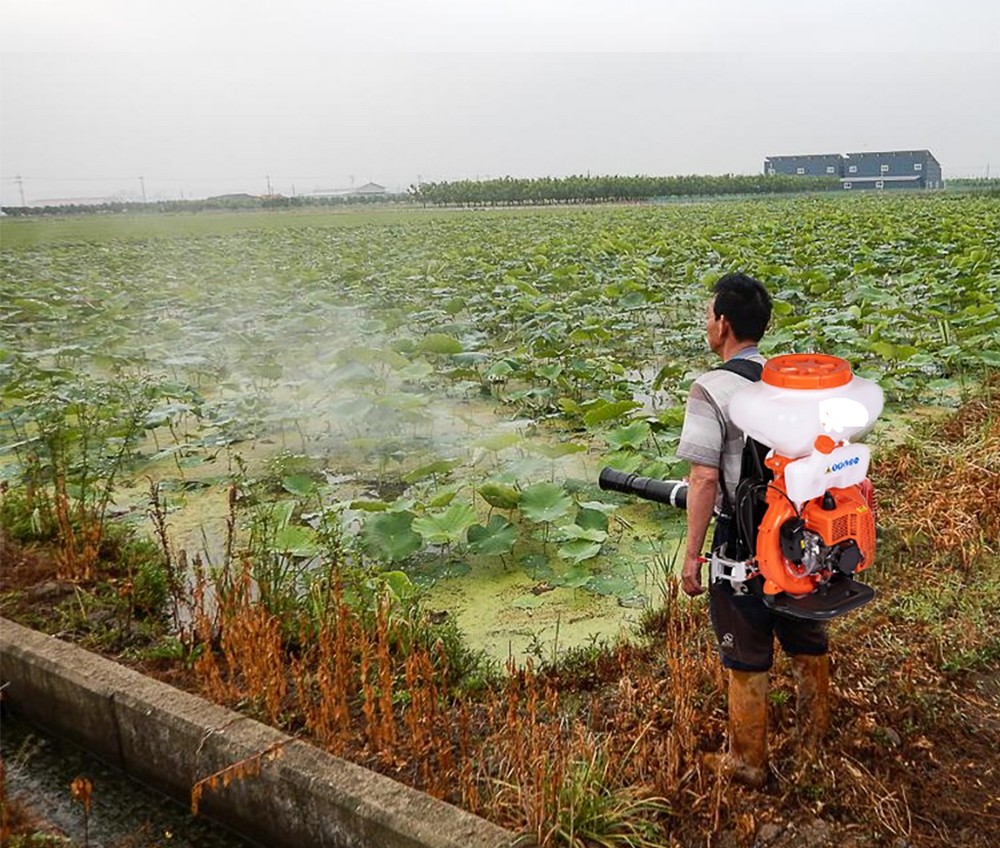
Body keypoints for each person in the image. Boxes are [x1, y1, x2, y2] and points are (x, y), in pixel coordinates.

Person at [676, 272, 830, 788]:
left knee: (745, 651)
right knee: (806, 636)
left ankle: (746, 763)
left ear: (722, 324)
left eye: (708, 316)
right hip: (802, 532)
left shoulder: (711, 388)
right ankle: (812, 748)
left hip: (742, 540)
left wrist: (693, 555)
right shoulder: (790, 379)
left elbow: (703, 478)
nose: (706, 324)